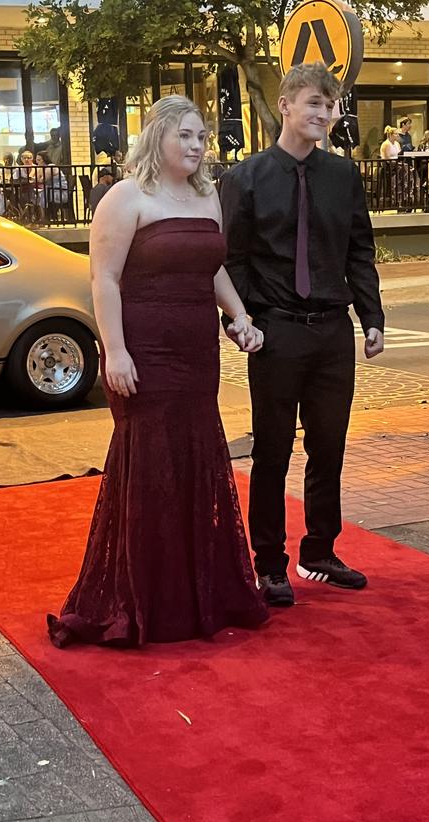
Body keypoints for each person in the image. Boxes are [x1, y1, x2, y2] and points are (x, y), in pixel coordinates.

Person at [47, 94, 269, 648]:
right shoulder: (126, 197)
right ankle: (145, 597)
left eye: (202, 138)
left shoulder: (207, 195)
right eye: (186, 136)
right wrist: (114, 350)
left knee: (195, 457)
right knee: (150, 464)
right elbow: (105, 280)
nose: (196, 147)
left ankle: (196, 593)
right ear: (158, 138)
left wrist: (239, 314)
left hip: (197, 353)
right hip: (143, 350)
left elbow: (212, 266)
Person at [220, 62, 384, 606]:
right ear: (286, 106)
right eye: (315, 103)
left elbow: (359, 249)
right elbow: (232, 260)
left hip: (333, 333)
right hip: (275, 331)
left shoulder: (343, 176)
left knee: (329, 447)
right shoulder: (245, 178)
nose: (325, 114)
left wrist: (372, 317)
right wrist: (238, 321)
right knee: (272, 451)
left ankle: (319, 550)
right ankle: (269, 562)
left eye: (331, 105)